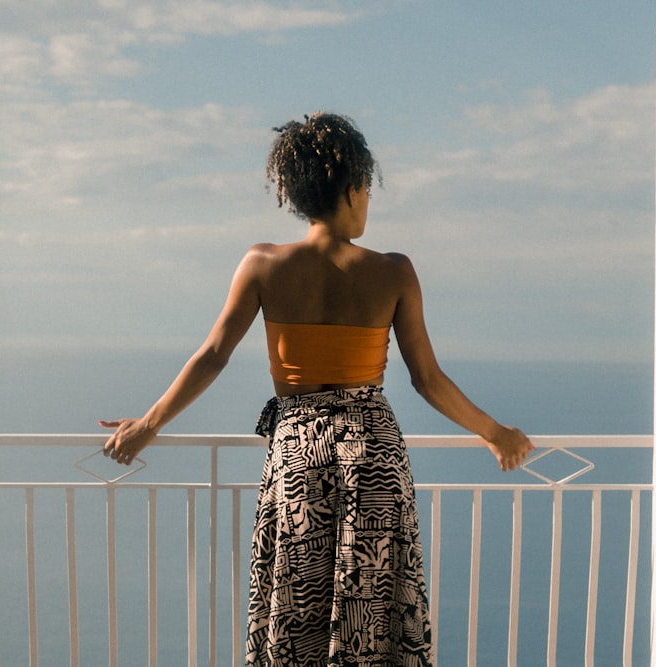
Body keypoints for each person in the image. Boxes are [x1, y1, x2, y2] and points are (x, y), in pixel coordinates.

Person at [100, 112, 535, 667]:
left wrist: (148, 424)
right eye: (368, 192)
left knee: (295, 609)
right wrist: (495, 433)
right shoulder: (394, 271)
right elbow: (426, 379)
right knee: (371, 609)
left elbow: (213, 357)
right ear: (354, 188)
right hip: (372, 454)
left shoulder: (262, 264)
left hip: (300, 455)